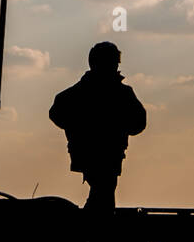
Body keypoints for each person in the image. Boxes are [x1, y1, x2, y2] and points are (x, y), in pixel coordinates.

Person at [49, 42, 146, 212]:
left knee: (103, 193)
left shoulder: (83, 92)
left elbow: (138, 122)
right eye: (112, 62)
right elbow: (57, 112)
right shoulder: (117, 93)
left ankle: (92, 229)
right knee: (104, 193)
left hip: (102, 152)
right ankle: (93, 231)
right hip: (100, 153)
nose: (115, 66)